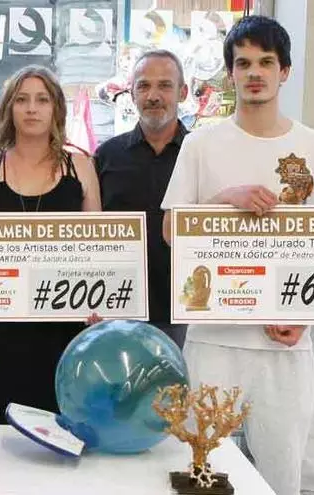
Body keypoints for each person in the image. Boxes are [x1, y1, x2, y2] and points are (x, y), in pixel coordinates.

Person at [160, 16, 314, 495]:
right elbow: (172, 230)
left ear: (285, 71)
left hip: (285, 346)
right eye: (243, 63)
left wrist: (304, 316)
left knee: (282, 477)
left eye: (266, 62)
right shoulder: (200, 145)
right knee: (200, 472)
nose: (254, 72)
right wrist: (225, 199)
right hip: (213, 340)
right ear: (230, 73)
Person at [0, 65, 101, 424]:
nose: (32, 108)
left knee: (65, 424)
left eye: (42, 100)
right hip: (4, 326)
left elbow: (98, 248)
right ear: (9, 108)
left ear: (56, 108)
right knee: (2, 425)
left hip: (65, 322)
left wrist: (99, 302)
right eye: (22, 100)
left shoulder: (81, 166)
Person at [94, 49, 189, 348]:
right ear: (131, 93)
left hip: (187, 312)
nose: (153, 96)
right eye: (144, 86)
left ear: (183, 92)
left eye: (165, 85)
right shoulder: (106, 156)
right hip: (117, 312)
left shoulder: (201, 153)